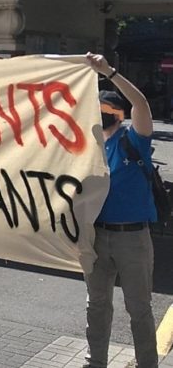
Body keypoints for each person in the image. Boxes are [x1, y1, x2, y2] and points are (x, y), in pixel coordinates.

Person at [84, 52, 157, 368]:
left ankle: (147, 364)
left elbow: (141, 103)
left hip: (132, 239)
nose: (101, 115)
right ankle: (95, 361)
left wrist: (109, 72)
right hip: (98, 237)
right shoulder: (89, 146)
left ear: (119, 114)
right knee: (96, 305)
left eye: (106, 110)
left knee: (139, 308)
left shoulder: (133, 139)